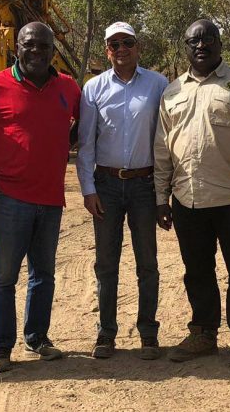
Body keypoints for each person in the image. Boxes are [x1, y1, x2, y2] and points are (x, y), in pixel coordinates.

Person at [0, 22, 81, 373]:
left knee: (44, 274)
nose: (36, 51)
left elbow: (81, 125)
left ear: (53, 51)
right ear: (16, 48)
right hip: (10, 199)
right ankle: (1, 349)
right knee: (5, 276)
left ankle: (37, 338)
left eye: (44, 46)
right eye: (29, 44)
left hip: (51, 199)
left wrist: (62, 146)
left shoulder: (68, 87)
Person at [154, 19, 230, 372]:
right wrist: (161, 197)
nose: (201, 45)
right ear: (185, 47)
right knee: (196, 270)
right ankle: (203, 333)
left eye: (208, 39)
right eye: (193, 41)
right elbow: (162, 149)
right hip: (187, 199)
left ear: (220, 44)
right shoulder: (172, 91)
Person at [77, 22, 169, 360]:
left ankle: (148, 333)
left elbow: (166, 141)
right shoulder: (93, 88)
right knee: (106, 263)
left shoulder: (158, 85)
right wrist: (88, 190)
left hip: (145, 184)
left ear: (137, 46)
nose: (121, 49)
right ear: (107, 51)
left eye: (127, 42)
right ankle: (106, 334)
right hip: (107, 185)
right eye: (114, 44)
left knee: (147, 262)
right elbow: (86, 143)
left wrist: (163, 192)